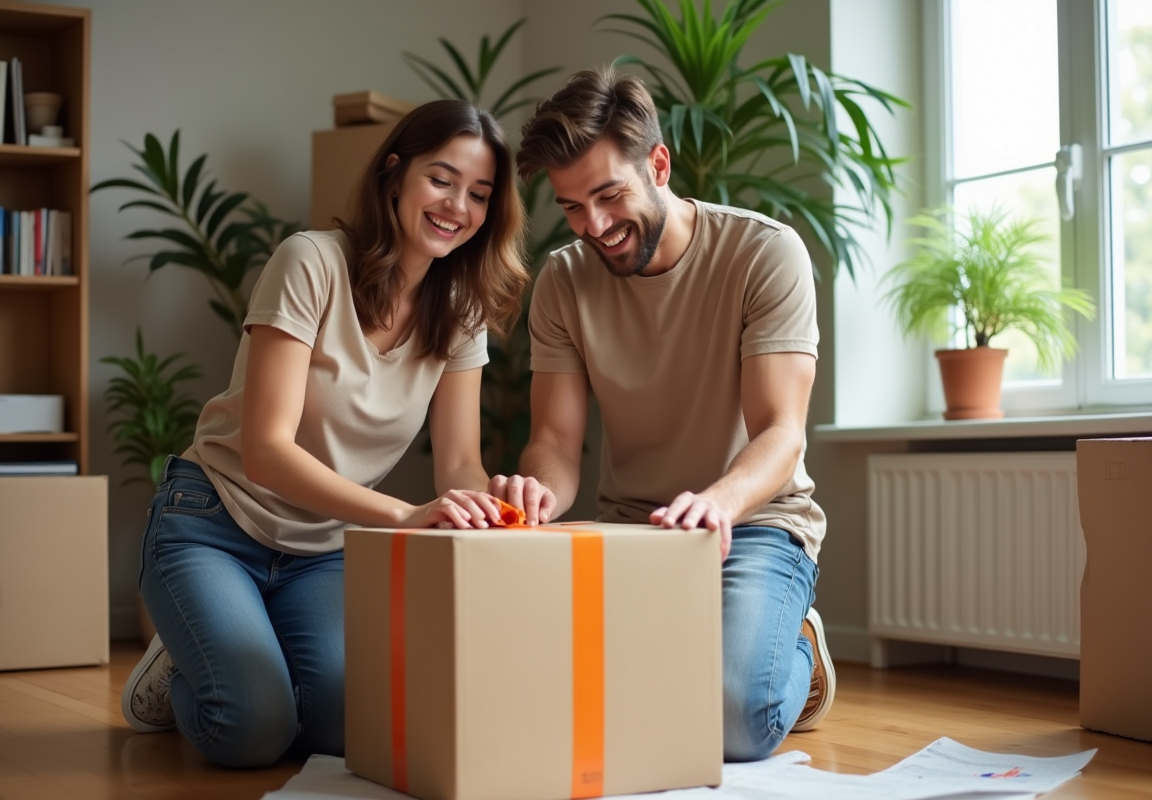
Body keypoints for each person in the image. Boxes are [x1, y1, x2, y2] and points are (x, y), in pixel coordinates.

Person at [119, 100, 529, 768]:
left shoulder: (460, 310)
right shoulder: (310, 261)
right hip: (215, 522)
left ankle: (248, 650)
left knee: (344, 726)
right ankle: (185, 667)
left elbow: (458, 461)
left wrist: (489, 508)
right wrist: (405, 515)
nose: (458, 206)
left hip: (320, 549)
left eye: (479, 194)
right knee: (250, 730)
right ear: (395, 175)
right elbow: (267, 451)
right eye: (442, 179)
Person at [489, 66, 835, 761]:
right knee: (529, 697)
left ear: (659, 163)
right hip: (630, 528)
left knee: (736, 721)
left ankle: (802, 651)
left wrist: (717, 503)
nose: (596, 226)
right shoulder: (563, 279)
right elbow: (555, 439)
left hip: (754, 523)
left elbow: (780, 431)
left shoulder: (764, 253)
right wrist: (538, 493)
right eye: (573, 208)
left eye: (609, 196)